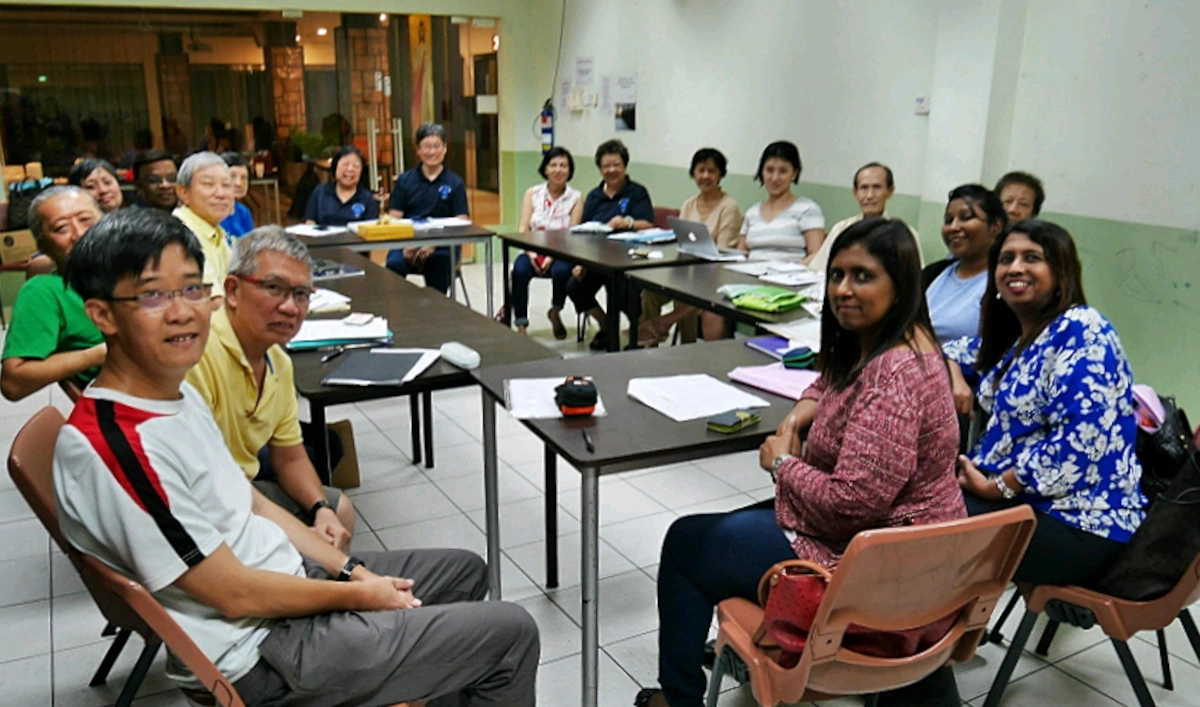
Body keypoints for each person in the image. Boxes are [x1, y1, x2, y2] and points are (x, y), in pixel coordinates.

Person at [53, 208, 540, 706]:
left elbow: (256, 503)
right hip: (259, 651)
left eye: (193, 288)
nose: (183, 312)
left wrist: (352, 571)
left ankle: (411, 683)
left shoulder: (174, 393)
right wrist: (359, 595)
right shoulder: (115, 445)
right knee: (510, 633)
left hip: (283, 584)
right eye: (154, 295)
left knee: (465, 571)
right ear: (102, 314)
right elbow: (232, 594)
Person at [636, 218, 964, 707]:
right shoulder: (902, 341)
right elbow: (826, 380)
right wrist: (798, 414)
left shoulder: (891, 378)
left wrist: (783, 463)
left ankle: (679, 700)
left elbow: (850, 505)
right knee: (727, 528)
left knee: (686, 543)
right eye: (837, 275)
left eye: (863, 276)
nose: (843, 290)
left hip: (866, 566)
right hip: (916, 552)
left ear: (900, 285)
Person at [947, 220, 1146, 585]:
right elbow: (952, 351)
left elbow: (1082, 439)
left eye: (1031, 257)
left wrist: (999, 486)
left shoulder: (1081, 327)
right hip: (1028, 503)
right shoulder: (1021, 341)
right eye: (1006, 259)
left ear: (1060, 272)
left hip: (1080, 520)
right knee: (914, 510)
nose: (1015, 267)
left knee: (919, 528)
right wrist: (957, 377)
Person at [186, 226, 356, 551]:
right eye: (274, 288)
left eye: (301, 294)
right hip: (202, 507)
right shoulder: (197, 356)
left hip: (242, 490)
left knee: (338, 512)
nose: (291, 307)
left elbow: (290, 457)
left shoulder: (278, 361)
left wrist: (320, 508)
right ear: (232, 291)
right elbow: (202, 483)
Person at [0, 186, 104, 401]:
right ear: (43, 246)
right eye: (61, 228)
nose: (79, 234)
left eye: (86, 220)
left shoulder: (136, 271)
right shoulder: (46, 291)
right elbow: (13, 384)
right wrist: (101, 353)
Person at [637, 148, 743, 345]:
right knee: (650, 293)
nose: (705, 176)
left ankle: (685, 343)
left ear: (721, 174)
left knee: (686, 294)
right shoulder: (689, 204)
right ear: (693, 173)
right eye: (700, 170)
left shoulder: (729, 206)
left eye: (711, 171)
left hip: (715, 277)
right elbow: (683, 243)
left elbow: (724, 253)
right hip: (686, 272)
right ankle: (649, 343)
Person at [567, 139, 655, 350]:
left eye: (616, 165)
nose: (611, 170)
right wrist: (581, 262)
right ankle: (607, 326)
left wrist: (628, 222)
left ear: (625, 165)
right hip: (598, 259)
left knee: (623, 295)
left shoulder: (637, 192)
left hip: (628, 260)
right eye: (606, 166)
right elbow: (584, 230)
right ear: (600, 169)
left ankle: (638, 335)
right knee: (574, 287)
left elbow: (648, 224)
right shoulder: (594, 196)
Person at [386, 123, 470, 295]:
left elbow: (461, 221)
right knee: (394, 264)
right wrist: (407, 244)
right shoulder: (404, 181)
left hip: (443, 246)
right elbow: (394, 218)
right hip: (407, 242)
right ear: (418, 150)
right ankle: (398, 307)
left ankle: (435, 309)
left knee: (438, 265)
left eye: (436, 146)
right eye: (427, 147)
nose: (432, 152)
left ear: (445, 148)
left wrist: (433, 245)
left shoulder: (455, 183)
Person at [510, 146, 583, 337]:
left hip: (561, 251)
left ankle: (555, 311)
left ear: (570, 170)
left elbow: (572, 234)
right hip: (532, 248)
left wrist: (552, 256)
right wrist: (532, 254)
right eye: (553, 165)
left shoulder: (575, 198)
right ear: (545, 169)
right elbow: (523, 229)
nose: (558, 170)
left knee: (561, 271)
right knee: (519, 271)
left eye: (563, 166)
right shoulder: (532, 193)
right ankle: (521, 325)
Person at [923, 184, 1007, 344]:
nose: (954, 227)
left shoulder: (1001, 284)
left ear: (996, 226)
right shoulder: (932, 274)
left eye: (966, 217)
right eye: (948, 220)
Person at [808, 162, 923, 274]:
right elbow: (817, 270)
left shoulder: (905, 234)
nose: (869, 195)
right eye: (864, 188)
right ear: (855, 193)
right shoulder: (841, 229)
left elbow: (915, 278)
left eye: (877, 187)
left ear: (890, 191)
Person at [738, 141, 826, 265]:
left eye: (783, 171)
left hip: (791, 275)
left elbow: (816, 254)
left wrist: (791, 271)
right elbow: (740, 254)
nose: (775, 178)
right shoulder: (752, 213)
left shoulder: (808, 210)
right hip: (750, 274)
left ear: (794, 174)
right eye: (769, 170)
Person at [173, 151, 234, 301]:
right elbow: (211, 303)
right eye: (208, 184)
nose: (220, 194)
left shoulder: (216, 232)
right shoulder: (180, 233)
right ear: (183, 192)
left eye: (226, 185)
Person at [304, 145, 380, 227]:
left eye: (356, 166)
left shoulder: (368, 199)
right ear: (335, 167)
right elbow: (310, 224)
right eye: (345, 164)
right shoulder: (320, 193)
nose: (350, 169)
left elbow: (372, 228)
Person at [220, 152, 256, 239]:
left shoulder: (243, 212)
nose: (238, 183)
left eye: (244, 178)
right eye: (232, 176)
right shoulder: (210, 213)